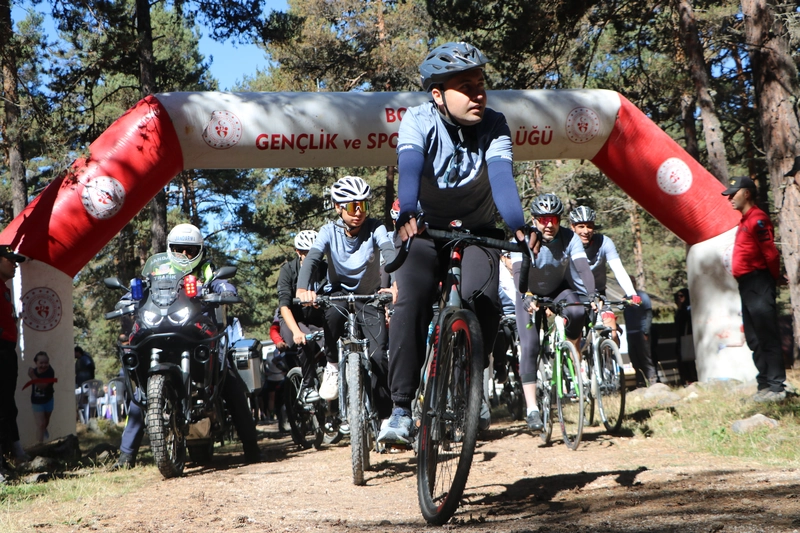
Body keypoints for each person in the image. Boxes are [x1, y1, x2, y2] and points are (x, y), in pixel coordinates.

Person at [382, 42, 539, 444]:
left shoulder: (495, 124)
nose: (478, 94)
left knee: (481, 300)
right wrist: (407, 213)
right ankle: (401, 409)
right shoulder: (417, 120)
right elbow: (411, 169)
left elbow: (502, 179)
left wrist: (519, 227)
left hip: (479, 229)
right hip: (427, 228)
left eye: (481, 85)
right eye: (465, 87)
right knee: (411, 300)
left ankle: (471, 377)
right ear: (437, 94)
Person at [114, 223, 260, 468]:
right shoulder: (159, 268)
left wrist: (225, 289)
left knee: (231, 381)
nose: (184, 255)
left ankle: (251, 447)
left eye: (190, 250)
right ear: (170, 249)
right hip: (161, 327)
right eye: (179, 249)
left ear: (199, 251)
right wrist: (127, 298)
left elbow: (220, 284)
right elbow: (139, 288)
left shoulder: (206, 268)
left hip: (197, 329)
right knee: (141, 395)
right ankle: (126, 456)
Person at [296, 177, 395, 424]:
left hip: (369, 295)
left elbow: (389, 252)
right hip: (338, 292)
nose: (359, 211)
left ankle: (385, 419)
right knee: (330, 313)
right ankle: (332, 366)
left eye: (363, 205)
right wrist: (301, 289)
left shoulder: (376, 228)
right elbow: (313, 259)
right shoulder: (329, 231)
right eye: (352, 206)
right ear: (338, 207)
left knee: (379, 356)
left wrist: (396, 283)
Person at [512, 193, 596, 432]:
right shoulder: (523, 237)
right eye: (543, 219)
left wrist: (593, 296)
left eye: (554, 219)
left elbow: (582, 268)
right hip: (527, 291)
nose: (549, 224)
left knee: (578, 311)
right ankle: (532, 409)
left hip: (557, 289)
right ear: (534, 219)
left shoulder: (569, 237)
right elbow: (518, 273)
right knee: (529, 346)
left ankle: (569, 353)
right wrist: (526, 296)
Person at [722, 175, 787, 403]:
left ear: (746, 193)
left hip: (759, 282)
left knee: (766, 334)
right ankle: (764, 383)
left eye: (733, 193)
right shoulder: (744, 220)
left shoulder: (757, 219)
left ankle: (777, 386)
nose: (729, 198)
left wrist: (774, 277)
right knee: (753, 337)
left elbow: (770, 252)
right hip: (748, 284)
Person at [569, 206, 641, 344]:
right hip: (574, 294)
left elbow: (618, 269)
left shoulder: (604, 242)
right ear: (573, 227)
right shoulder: (567, 243)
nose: (585, 231)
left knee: (612, 333)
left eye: (589, 226)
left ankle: (610, 361)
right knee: (575, 340)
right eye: (581, 226)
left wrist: (631, 293)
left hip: (598, 294)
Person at [277, 230, 326, 404]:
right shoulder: (288, 270)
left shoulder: (325, 269)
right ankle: (307, 386)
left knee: (333, 344)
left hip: (316, 320)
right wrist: (297, 332)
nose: (312, 258)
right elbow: (284, 306)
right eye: (306, 253)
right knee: (306, 339)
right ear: (298, 252)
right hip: (292, 320)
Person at [0, 245, 30, 465]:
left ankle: (16, 452)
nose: (15, 265)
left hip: (8, 350)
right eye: (10, 260)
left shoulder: (5, 288)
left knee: (8, 404)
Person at [623, 289, 658, 387]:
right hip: (630, 333)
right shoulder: (625, 298)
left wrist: (646, 331)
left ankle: (652, 382)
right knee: (634, 359)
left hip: (641, 332)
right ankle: (640, 383)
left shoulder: (642, 295)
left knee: (645, 358)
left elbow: (648, 313)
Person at [28, 351, 55, 443]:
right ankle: (40, 444)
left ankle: (44, 430)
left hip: (48, 400)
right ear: (36, 363)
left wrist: (32, 376)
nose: (44, 365)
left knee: (46, 421)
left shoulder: (50, 372)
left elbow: (42, 386)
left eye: (46, 363)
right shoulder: (34, 371)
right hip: (37, 401)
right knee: (40, 424)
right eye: (41, 363)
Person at [674, 288, 697, 384]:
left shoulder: (689, 308)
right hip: (680, 337)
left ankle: (692, 379)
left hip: (688, 337)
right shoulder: (679, 310)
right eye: (677, 296)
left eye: (681, 296)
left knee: (690, 361)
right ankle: (685, 380)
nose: (679, 298)